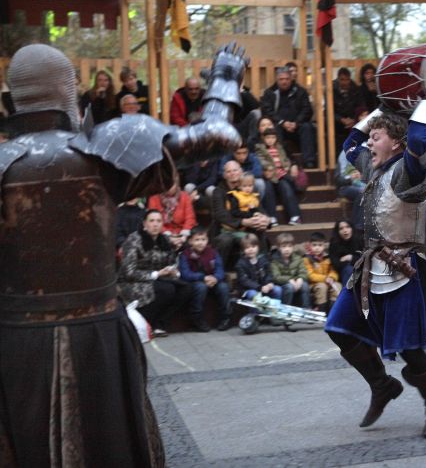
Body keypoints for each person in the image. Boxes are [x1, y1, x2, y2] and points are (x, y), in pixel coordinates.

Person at [1, 42, 245, 466]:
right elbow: (219, 136)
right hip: (97, 334)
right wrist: (224, 78)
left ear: (13, 100)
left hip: (17, 338)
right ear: (71, 91)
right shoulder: (103, 147)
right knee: (111, 445)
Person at [324, 94, 426, 438]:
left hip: (404, 271)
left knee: (411, 350)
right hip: (370, 267)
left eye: (376, 137)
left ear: (396, 142)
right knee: (338, 327)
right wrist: (384, 106)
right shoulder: (375, 167)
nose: (369, 142)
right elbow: (350, 143)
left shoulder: (409, 170)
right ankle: (382, 386)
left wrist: (425, 102)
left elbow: (419, 139)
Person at [119, 209, 193, 335]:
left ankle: (160, 323)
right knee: (167, 289)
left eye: (159, 221)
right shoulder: (134, 240)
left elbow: (170, 261)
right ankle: (147, 321)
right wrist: (156, 274)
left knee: (186, 288)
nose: (155, 224)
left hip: (159, 278)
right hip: (132, 282)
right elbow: (128, 272)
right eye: (151, 221)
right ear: (144, 224)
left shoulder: (164, 239)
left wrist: (173, 271)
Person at [210, 160, 271, 268]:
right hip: (226, 230)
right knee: (225, 240)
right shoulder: (218, 191)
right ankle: (218, 271)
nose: (232, 173)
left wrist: (266, 220)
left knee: (259, 227)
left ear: (241, 171)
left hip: (247, 229)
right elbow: (220, 214)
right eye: (229, 171)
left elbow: (260, 209)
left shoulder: (248, 188)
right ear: (224, 175)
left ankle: (263, 267)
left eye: (235, 170)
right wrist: (243, 222)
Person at [260, 66, 317, 169]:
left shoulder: (301, 91)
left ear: (291, 79)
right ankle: (282, 161)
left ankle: (309, 161)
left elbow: (307, 110)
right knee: (274, 129)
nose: (284, 82)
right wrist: (282, 122)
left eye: (287, 79)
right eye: (281, 79)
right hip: (279, 125)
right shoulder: (270, 93)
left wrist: (296, 123)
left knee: (307, 127)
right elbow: (267, 111)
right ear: (277, 80)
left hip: (297, 126)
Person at [178, 226, 232, 332]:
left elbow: (220, 269)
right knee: (201, 287)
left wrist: (216, 278)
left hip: (212, 281)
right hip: (196, 282)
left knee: (223, 287)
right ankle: (196, 318)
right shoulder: (185, 255)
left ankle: (226, 317)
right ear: (190, 241)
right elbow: (185, 274)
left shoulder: (213, 252)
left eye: (203, 239)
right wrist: (202, 277)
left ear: (207, 240)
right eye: (197, 240)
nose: (200, 243)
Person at [253, 127, 303, 225]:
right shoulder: (260, 148)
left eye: (273, 137)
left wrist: (287, 166)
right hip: (269, 175)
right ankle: (271, 217)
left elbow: (285, 159)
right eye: (268, 138)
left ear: (276, 138)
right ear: (263, 138)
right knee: (268, 190)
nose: (270, 140)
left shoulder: (279, 148)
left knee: (286, 188)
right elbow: (260, 160)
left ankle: (295, 216)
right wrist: (268, 167)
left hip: (281, 174)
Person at [147, 179, 197, 251]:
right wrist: (168, 236)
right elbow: (154, 220)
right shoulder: (154, 199)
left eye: (171, 185)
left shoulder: (185, 196)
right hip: (162, 233)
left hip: (182, 233)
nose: (168, 188)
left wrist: (183, 235)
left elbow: (190, 217)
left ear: (176, 185)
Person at [304, 231, 342, 312]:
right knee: (322, 286)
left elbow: (333, 270)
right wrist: (325, 278)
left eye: (320, 245)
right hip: (314, 284)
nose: (317, 248)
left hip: (328, 281)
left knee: (337, 285)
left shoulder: (328, 257)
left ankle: (333, 311)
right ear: (310, 245)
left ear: (324, 246)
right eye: (314, 245)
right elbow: (310, 275)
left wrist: (332, 277)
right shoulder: (307, 259)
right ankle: (322, 310)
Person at [270, 232, 310, 309]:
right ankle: (285, 309)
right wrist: (289, 280)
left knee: (304, 285)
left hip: (296, 282)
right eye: (284, 247)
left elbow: (303, 271)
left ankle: (307, 308)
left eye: (290, 246)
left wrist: (300, 278)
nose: (287, 249)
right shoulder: (274, 260)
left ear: (293, 247)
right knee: (289, 287)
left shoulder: (297, 258)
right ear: (279, 248)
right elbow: (276, 277)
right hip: (282, 284)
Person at [236, 233, 278, 301]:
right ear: (243, 250)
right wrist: (259, 287)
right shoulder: (240, 264)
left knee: (277, 290)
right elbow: (245, 281)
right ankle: (256, 309)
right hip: (248, 290)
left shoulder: (263, 259)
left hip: (264, 287)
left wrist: (269, 283)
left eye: (253, 247)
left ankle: (275, 307)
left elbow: (268, 273)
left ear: (258, 247)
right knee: (254, 294)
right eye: (247, 248)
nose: (251, 249)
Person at [329, 219, 364, 288]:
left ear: (352, 228)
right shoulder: (334, 243)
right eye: (341, 228)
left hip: (360, 270)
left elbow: (364, 259)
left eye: (347, 227)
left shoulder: (359, 240)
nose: (345, 230)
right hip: (343, 273)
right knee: (348, 269)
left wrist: (350, 258)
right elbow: (336, 264)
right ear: (338, 232)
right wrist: (352, 262)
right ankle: (347, 293)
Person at [333, 67, 361, 149]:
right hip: (337, 123)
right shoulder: (331, 90)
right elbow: (329, 111)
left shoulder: (355, 89)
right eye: (342, 79)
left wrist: (353, 120)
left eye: (347, 79)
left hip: (353, 122)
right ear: (338, 79)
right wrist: (341, 119)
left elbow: (360, 106)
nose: (345, 82)